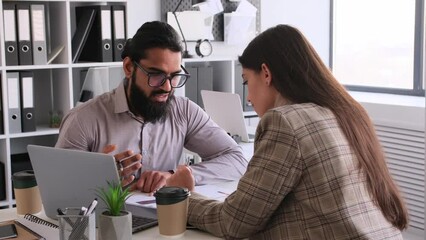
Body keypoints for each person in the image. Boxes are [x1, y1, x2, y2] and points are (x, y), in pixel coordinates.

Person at [167, 24, 408, 239]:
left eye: (246, 81)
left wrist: (183, 195)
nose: (248, 97)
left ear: (266, 74)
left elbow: (234, 223)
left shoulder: (284, 121)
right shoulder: (347, 112)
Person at [55, 21, 248, 193]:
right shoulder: (83, 120)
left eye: (174, 76)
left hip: (166, 223)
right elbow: (57, 187)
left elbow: (236, 159)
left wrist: (175, 176)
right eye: (156, 75)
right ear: (129, 67)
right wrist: (97, 177)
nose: (167, 87)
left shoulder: (184, 111)